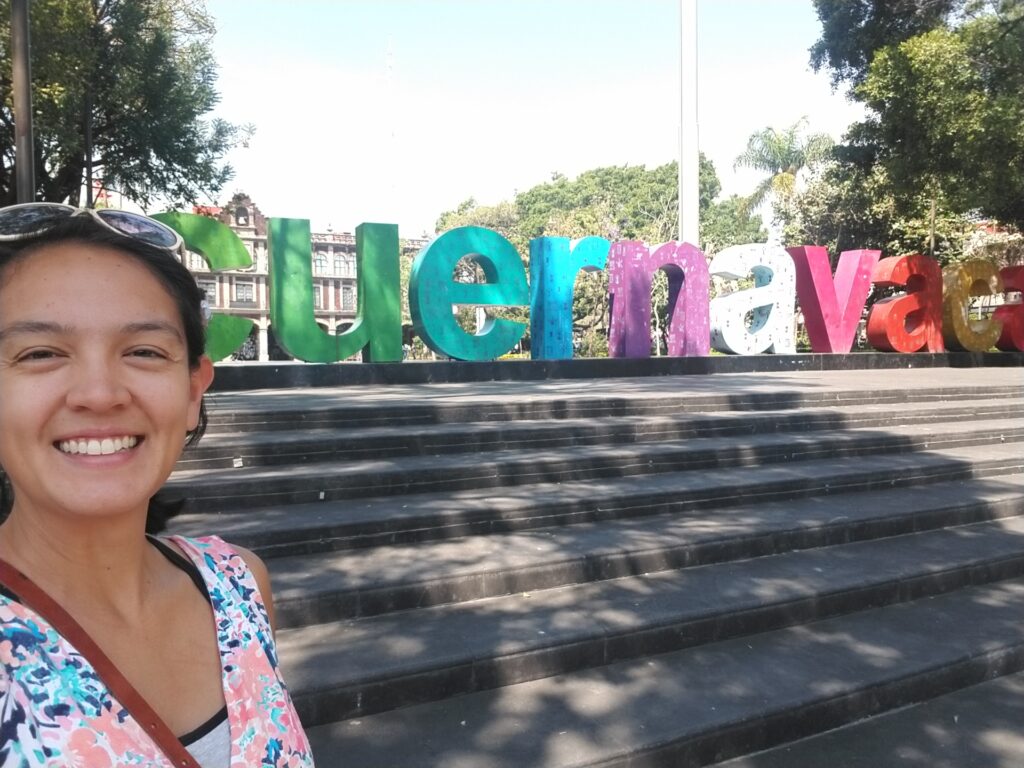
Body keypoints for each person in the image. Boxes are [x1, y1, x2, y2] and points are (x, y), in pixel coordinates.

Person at [0, 205, 315, 767]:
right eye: (41, 353)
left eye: (144, 351)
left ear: (194, 389)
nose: (99, 394)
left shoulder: (237, 587)